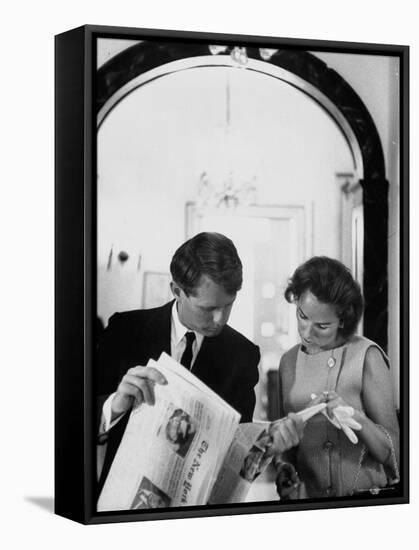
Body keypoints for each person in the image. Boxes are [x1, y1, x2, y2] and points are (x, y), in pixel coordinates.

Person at [96, 232, 304, 493]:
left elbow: (235, 453)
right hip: (118, 504)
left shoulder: (243, 354)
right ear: (176, 291)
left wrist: (268, 446)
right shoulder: (124, 330)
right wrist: (113, 407)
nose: (219, 319)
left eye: (228, 306)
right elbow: (75, 421)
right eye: (207, 308)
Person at [275, 256, 400, 499]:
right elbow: (286, 446)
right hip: (311, 507)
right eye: (302, 316)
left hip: (365, 503)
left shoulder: (367, 356)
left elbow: (395, 454)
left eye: (322, 326)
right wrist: (283, 468)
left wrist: (357, 418)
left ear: (343, 320)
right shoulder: (288, 362)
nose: (307, 333)